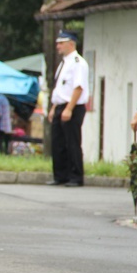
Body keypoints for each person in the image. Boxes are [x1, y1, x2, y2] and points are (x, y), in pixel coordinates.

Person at [47, 30, 89, 187]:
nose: (57, 46)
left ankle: (75, 176)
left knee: (72, 142)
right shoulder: (64, 63)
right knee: (58, 143)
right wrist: (54, 107)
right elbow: (60, 89)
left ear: (71, 44)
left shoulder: (78, 63)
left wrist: (69, 108)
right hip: (61, 105)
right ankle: (60, 175)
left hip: (73, 106)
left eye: (61, 43)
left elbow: (78, 88)